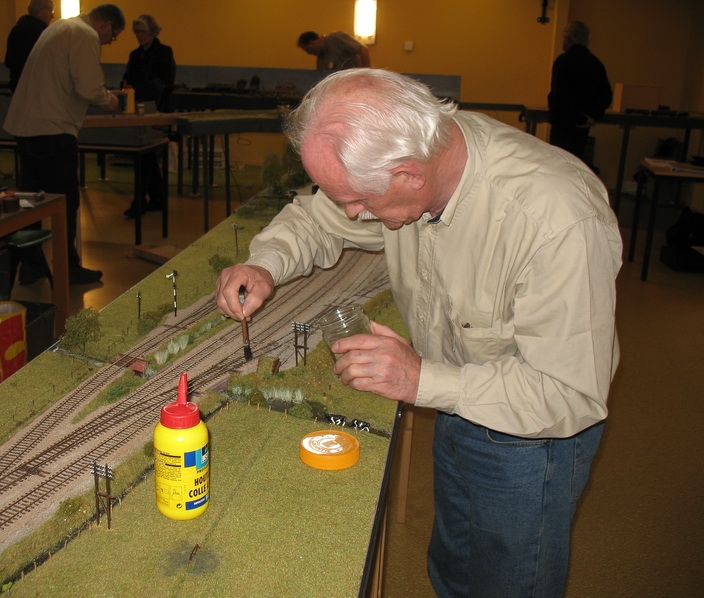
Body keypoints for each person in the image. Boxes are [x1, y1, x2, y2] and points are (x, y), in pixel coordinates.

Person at [215, 69, 622, 597]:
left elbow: (570, 392)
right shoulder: (414, 157)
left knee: (509, 583)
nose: (351, 215)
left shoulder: (557, 220)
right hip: (453, 400)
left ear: (408, 175)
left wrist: (421, 380)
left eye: (359, 202)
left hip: (532, 441)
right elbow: (318, 219)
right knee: (453, 569)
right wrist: (266, 263)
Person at [4, 4, 124, 285]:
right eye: (113, 36)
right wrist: (111, 101)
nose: (109, 42)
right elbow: (88, 86)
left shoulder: (60, 27)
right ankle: (68, 269)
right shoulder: (85, 34)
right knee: (65, 203)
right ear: (105, 25)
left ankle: (31, 264)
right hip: (52, 131)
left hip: (30, 128)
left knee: (32, 203)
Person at [121, 14, 176, 218]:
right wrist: (126, 88)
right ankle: (157, 198)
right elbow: (127, 79)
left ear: (152, 31)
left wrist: (136, 89)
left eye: (142, 31)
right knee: (148, 156)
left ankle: (140, 201)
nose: (139, 35)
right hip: (138, 110)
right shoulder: (134, 55)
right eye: (136, 32)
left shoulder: (164, 52)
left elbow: (165, 82)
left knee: (147, 155)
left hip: (158, 110)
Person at [548, 21, 612, 165]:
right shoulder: (595, 63)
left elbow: (560, 96)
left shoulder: (563, 62)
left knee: (559, 164)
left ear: (568, 39)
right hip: (583, 126)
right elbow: (606, 95)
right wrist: (591, 116)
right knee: (576, 163)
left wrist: (576, 117)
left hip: (563, 123)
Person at [4, 0, 55, 92]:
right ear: (39, 11)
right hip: (36, 89)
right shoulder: (42, 34)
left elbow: (8, 61)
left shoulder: (16, 29)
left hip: (17, 87)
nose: (52, 16)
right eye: (50, 11)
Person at [297, 31, 371, 71]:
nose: (308, 53)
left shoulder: (336, 38)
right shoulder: (320, 60)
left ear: (312, 43)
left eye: (307, 50)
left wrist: (366, 71)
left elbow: (363, 49)